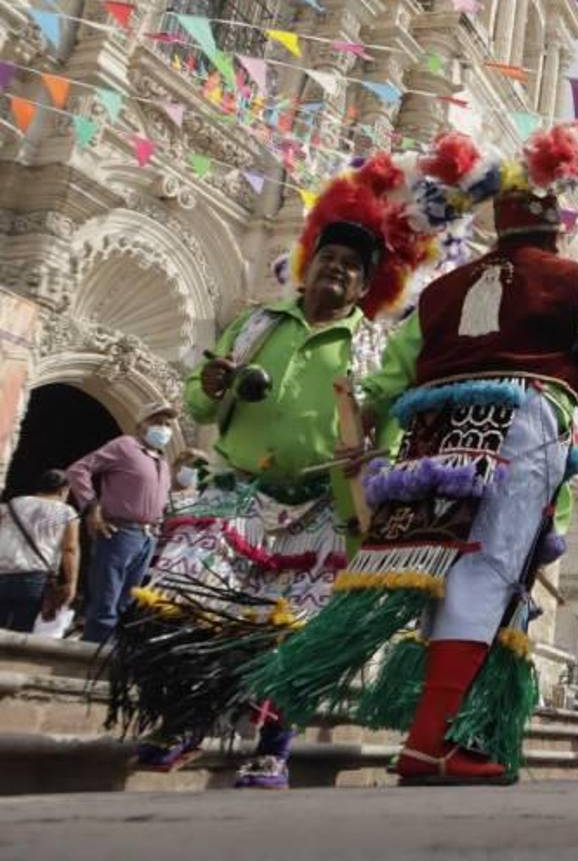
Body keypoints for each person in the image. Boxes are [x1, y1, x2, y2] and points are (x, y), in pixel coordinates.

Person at [248, 121, 578, 786]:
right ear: (555, 222)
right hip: (521, 429)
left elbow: (383, 383)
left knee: (432, 573)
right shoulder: (575, 281)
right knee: (487, 571)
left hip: (432, 436)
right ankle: (429, 739)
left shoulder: (438, 292)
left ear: (497, 223)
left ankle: (444, 732)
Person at [103, 136, 465, 786]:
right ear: (308, 265)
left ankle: (273, 743)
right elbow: (200, 401)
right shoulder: (256, 325)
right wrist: (206, 388)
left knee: (289, 630)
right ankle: (184, 718)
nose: (336, 271)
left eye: (351, 268)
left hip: (321, 509)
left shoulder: (370, 349)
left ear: (363, 285)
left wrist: (370, 473)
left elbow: (381, 428)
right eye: (328, 258)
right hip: (235, 490)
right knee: (188, 597)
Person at [64, 403, 177, 645]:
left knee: (127, 603)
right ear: (141, 424)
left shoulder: (163, 462)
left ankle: (113, 657)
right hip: (120, 532)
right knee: (106, 601)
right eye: (157, 422)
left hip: (148, 537)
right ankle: (91, 659)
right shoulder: (125, 446)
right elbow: (78, 470)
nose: (163, 428)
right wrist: (92, 509)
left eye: (168, 424)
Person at [0, 470, 79, 631]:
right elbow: (69, 549)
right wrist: (71, 583)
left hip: (2, 573)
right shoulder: (66, 512)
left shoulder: (14, 503)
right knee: (20, 631)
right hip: (34, 579)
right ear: (63, 490)